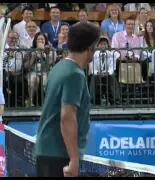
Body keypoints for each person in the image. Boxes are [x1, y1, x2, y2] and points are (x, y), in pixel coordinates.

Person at [35, 22, 100, 177]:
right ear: (90, 47)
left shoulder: (59, 67)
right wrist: (74, 159)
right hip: (59, 154)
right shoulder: (75, 75)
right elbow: (67, 117)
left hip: (47, 152)